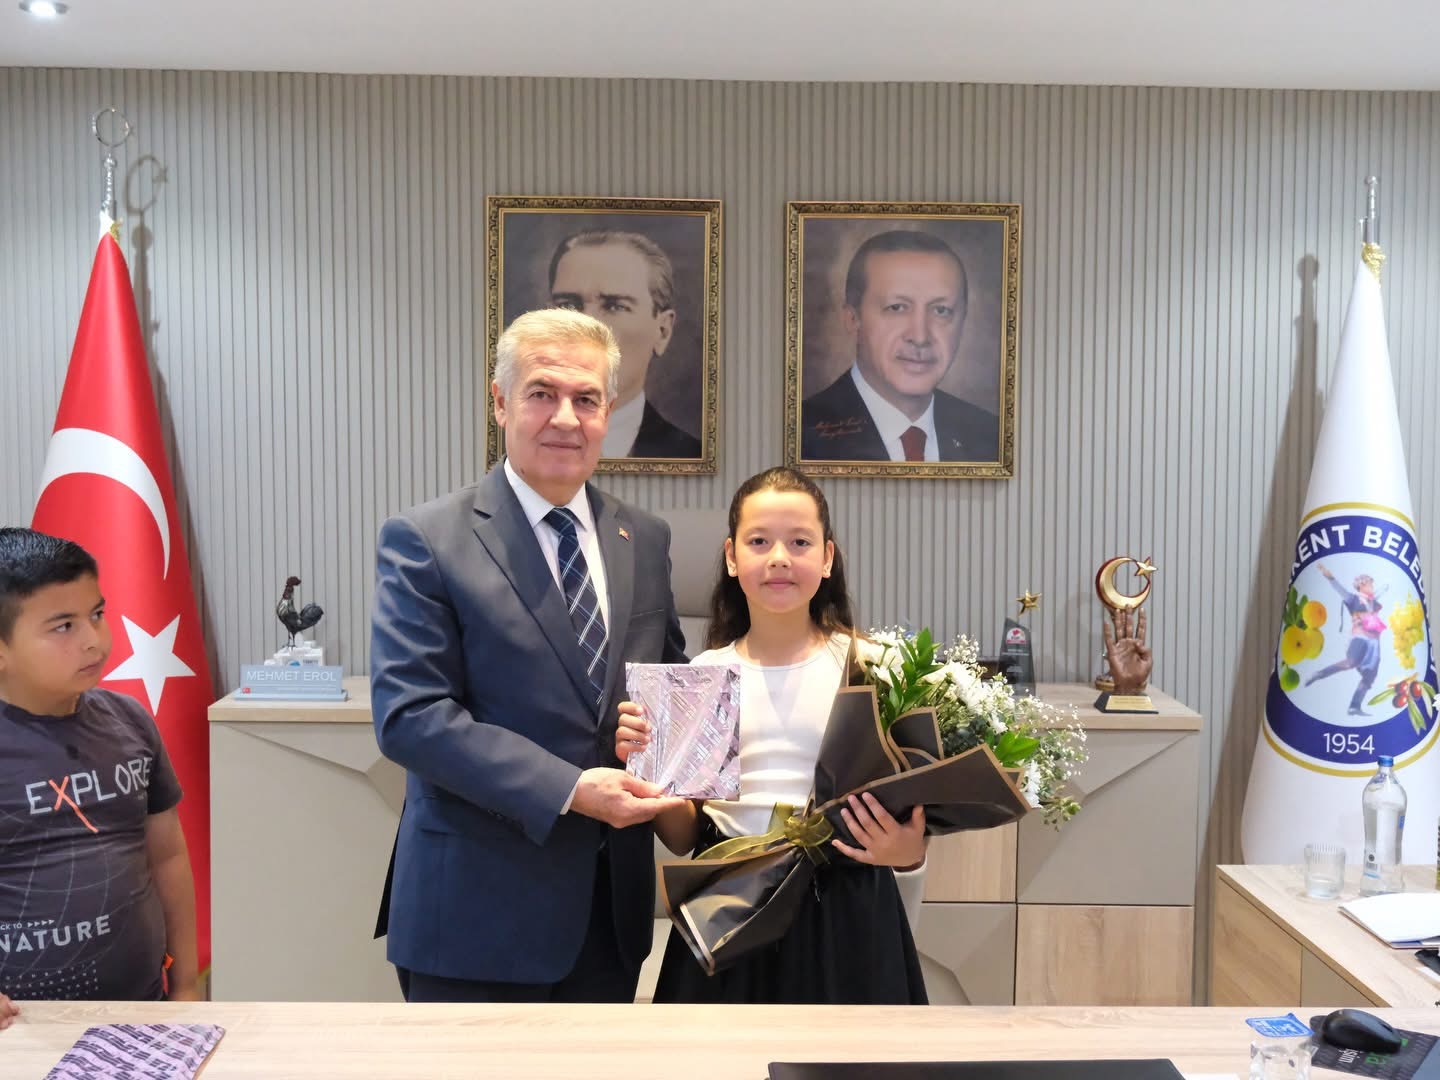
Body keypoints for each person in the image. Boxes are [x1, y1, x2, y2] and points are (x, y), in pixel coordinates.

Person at [371, 308, 689, 1003]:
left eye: (586, 399)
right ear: (500, 402)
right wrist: (571, 789)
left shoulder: (646, 538)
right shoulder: (426, 538)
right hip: (475, 918)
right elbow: (411, 718)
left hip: (610, 918)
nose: (565, 418)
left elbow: (667, 689)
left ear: (609, 410)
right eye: (542, 393)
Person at [615, 467, 929, 1004]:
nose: (779, 557)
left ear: (827, 558)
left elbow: (913, 817)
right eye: (759, 541)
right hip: (728, 909)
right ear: (732, 557)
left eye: (799, 542)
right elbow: (684, 837)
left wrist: (906, 850)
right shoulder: (702, 676)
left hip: (847, 907)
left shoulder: (875, 667)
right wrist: (647, 767)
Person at [0, 527, 198, 1004]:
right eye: (63, 626)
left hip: (142, 1011)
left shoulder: (130, 722)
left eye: (97, 615)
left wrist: (187, 985)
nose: (94, 641)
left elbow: (168, 858)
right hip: (21, 1028)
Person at [801, 229, 1000, 464]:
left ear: (963, 321)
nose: (920, 337)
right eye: (896, 308)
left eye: (941, 310)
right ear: (853, 318)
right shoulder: (801, 436)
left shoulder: (991, 437)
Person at [549, 229, 702, 459]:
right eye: (568, 305)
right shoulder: (510, 453)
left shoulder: (688, 454)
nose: (587, 326)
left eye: (615, 306)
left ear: (662, 331)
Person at [1305, 564, 1385, 716]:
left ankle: (1354, 706)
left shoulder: (1373, 602)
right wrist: (1329, 576)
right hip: (1360, 638)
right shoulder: (1353, 599)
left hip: (1374, 644)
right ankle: (1319, 673)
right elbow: (1339, 589)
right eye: (1370, 584)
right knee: (1350, 662)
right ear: (1362, 585)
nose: (1372, 587)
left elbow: (1381, 592)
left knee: (1369, 676)